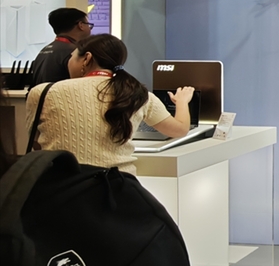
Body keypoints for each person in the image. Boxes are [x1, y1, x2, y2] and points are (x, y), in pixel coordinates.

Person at [25, 34, 193, 176]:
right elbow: (179, 129)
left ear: (86, 58)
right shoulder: (139, 95)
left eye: (71, 57)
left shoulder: (43, 92)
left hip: (61, 188)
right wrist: (182, 102)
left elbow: (36, 143)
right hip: (119, 187)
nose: (68, 62)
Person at [28, 8, 94, 87]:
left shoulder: (43, 51)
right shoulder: (75, 52)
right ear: (81, 25)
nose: (90, 29)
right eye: (88, 25)